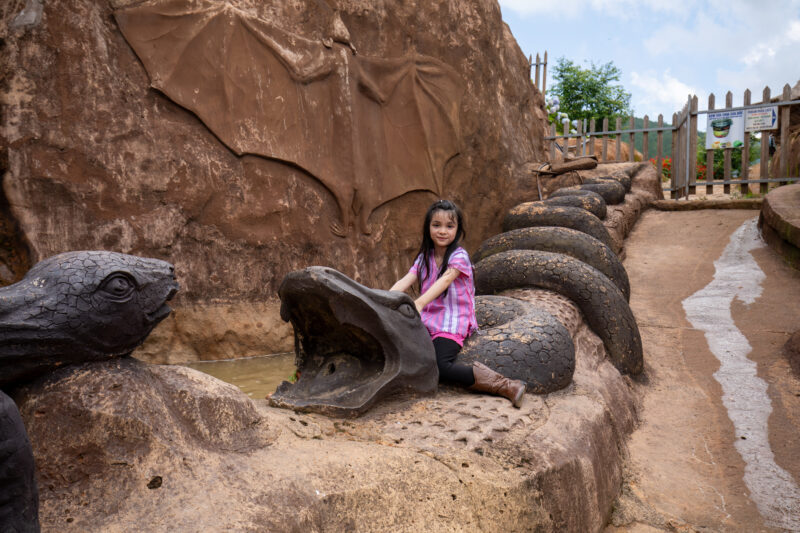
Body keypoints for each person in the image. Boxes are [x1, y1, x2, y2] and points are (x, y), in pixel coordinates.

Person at [390, 200, 525, 407]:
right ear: (428, 227)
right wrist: (383, 299)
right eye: (436, 225)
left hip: (451, 320)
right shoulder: (425, 256)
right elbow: (406, 280)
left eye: (449, 226)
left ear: (458, 229)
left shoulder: (459, 256)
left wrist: (419, 302)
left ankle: (505, 385)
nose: (442, 231)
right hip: (427, 317)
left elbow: (444, 281)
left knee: (441, 366)